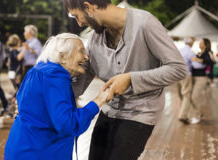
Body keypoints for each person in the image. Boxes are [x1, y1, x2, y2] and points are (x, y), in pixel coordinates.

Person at [64, 1, 188, 159]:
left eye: (76, 16)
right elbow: (78, 86)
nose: (79, 23)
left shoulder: (144, 23)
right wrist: (37, 97)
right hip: (109, 110)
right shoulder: (95, 40)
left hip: (140, 113)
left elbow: (178, 69)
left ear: (88, 7)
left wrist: (131, 79)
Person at [4, 33, 110, 160]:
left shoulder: (37, 70)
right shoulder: (55, 76)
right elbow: (68, 124)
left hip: (21, 149)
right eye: (81, 51)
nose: (86, 57)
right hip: (40, 152)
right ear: (63, 57)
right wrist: (99, 101)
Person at [190, 38, 214, 124]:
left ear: (205, 45)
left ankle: (198, 115)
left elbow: (210, 62)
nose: (199, 44)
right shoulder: (200, 53)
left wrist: (197, 59)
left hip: (201, 78)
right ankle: (199, 114)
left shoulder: (207, 53)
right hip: (195, 77)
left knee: (194, 97)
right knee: (193, 97)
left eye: (201, 42)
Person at [177, 36, 196, 124]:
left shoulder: (180, 50)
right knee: (187, 95)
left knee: (182, 94)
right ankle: (183, 115)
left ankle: (182, 112)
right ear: (191, 43)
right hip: (186, 74)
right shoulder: (190, 52)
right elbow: (196, 65)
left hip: (178, 74)